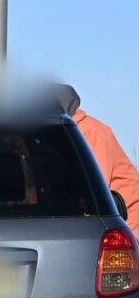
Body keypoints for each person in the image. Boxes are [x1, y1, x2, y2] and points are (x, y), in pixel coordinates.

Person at [56, 83, 139, 236]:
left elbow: (96, 188)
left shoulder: (92, 131)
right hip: (113, 226)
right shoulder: (69, 135)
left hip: (131, 228)